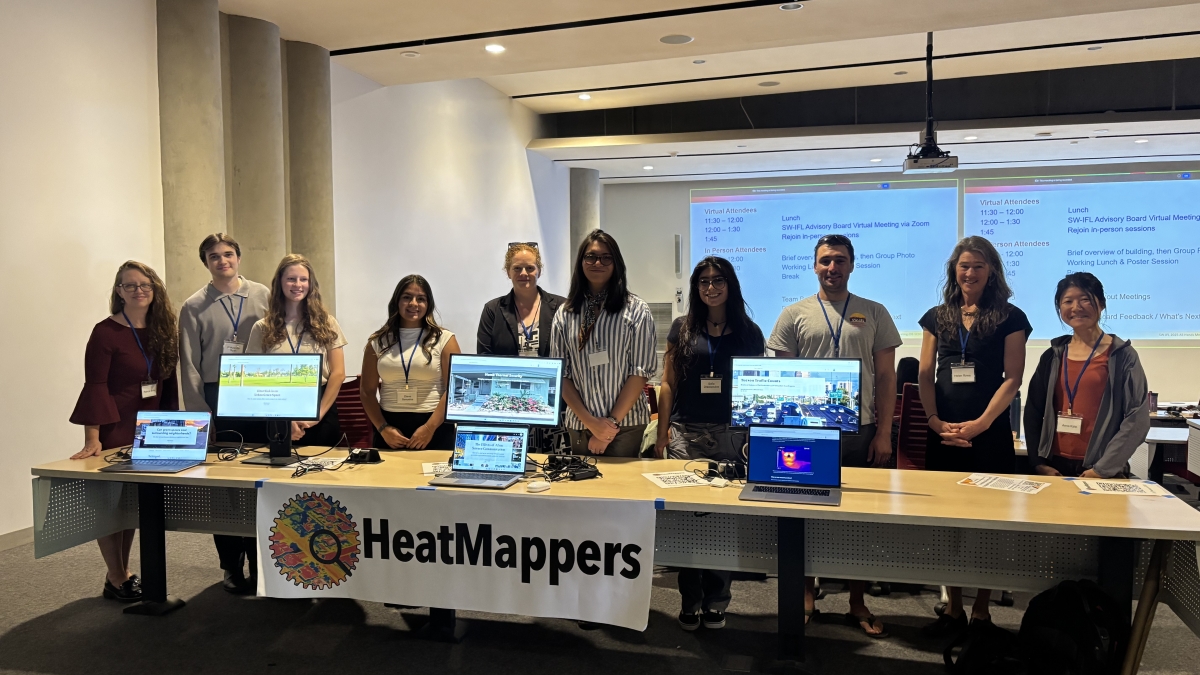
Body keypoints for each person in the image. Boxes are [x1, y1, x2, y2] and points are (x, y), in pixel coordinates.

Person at [766, 233, 901, 639]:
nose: (832, 267)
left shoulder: (873, 311)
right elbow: (783, 379)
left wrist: (883, 432)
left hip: (860, 432)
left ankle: (856, 600)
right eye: (825, 260)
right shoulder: (794, 314)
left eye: (840, 260)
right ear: (815, 266)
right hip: (808, 434)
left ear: (851, 265)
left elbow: (886, 376)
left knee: (859, 521)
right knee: (803, 517)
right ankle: (805, 595)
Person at [917, 235, 1031, 636]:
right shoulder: (937, 316)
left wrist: (981, 425)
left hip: (990, 433)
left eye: (978, 266)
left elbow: (1013, 377)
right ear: (954, 270)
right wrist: (933, 421)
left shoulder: (1010, 317)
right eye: (964, 265)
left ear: (991, 271)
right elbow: (925, 374)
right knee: (948, 523)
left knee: (988, 522)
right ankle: (954, 607)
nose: (970, 273)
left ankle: (982, 609)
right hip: (943, 431)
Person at [655, 256, 765, 632]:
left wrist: (754, 435)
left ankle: (718, 600)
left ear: (730, 285)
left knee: (721, 523)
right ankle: (690, 598)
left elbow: (757, 390)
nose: (711, 287)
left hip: (731, 434)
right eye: (703, 281)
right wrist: (661, 432)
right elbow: (667, 383)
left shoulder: (749, 333)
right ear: (696, 287)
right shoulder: (682, 329)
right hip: (686, 433)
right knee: (688, 521)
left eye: (718, 280)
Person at [70, 261, 179, 603]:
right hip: (116, 428)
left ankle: (122, 572)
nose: (138, 291)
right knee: (110, 507)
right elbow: (96, 386)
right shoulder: (105, 332)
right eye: (129, 286)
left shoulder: (162, 329)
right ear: (118, 291)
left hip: (151, 430)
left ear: (154, 288)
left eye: (144, 284)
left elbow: (167, 383)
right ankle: (116, 575)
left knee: (132, 507)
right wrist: (93, 438)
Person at [178, 233, 270, 594]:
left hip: (260, 392)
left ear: (239, 257)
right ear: (206, 262)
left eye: (228, 254)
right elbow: (189, 365)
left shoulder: (264, 295)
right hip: (218, 397)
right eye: (214, 256)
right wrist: (202, 418)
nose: (222, 261)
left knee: (262, 481)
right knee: (226, 487)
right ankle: (231, 565)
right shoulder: (193, 305)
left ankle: (262, 561)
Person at [1025, 273, 1149, 479]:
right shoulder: (1053, 355)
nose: (1076, 307)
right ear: (1059, 308)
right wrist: (1038, 463)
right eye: (1068, 301)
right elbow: (1033, 411)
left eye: (1085, 299)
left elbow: (1137, 419)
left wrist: (1102, 469)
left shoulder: (1122, 355)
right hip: (1054, 468)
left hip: (1102, 469)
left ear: (1101, 304)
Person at [550, 230, 658, 457]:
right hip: (580, 425)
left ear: (616, 263)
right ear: (581, 262)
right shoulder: (565, 314)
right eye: (590, 257)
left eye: (606, 257)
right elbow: (562, 374)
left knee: (622, 491)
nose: (597, 263)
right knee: (583, 490)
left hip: (627, 425)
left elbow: (640, 372)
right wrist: (591, 423)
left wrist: (608, 426)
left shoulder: (637, 310)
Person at [246, 254, 348, 448]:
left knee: (322, 472)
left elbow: (338, 373)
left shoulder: (327, 323)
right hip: (275, 405)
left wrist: (317, 414)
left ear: (311, 284)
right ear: (280, 283)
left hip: (321, 407)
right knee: (277, 472)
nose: (297, 284)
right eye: (291, 279)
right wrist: (284, 419)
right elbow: (254, 378)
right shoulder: (262, 327)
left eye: (303, 279)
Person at [361, 274, 461, 450]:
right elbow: (367, 392)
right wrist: (383, 428)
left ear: (428, 304)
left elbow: (453, 390)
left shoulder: (445, 340)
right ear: (396, 302)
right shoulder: (377, 342)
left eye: (420, 299)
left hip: (434, 427)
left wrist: (429, 428)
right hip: (390, 429)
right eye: (407, 297)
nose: (413, 303)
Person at [477, 242, 565, 358]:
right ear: (508, 272)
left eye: (530, 268)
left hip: (550, 376)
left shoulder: (562, 307)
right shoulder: (492, 310)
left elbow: (571, 353)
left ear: (539, 271)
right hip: (506, 376)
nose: (523, 273)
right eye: (517, 268)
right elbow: (484, 357)